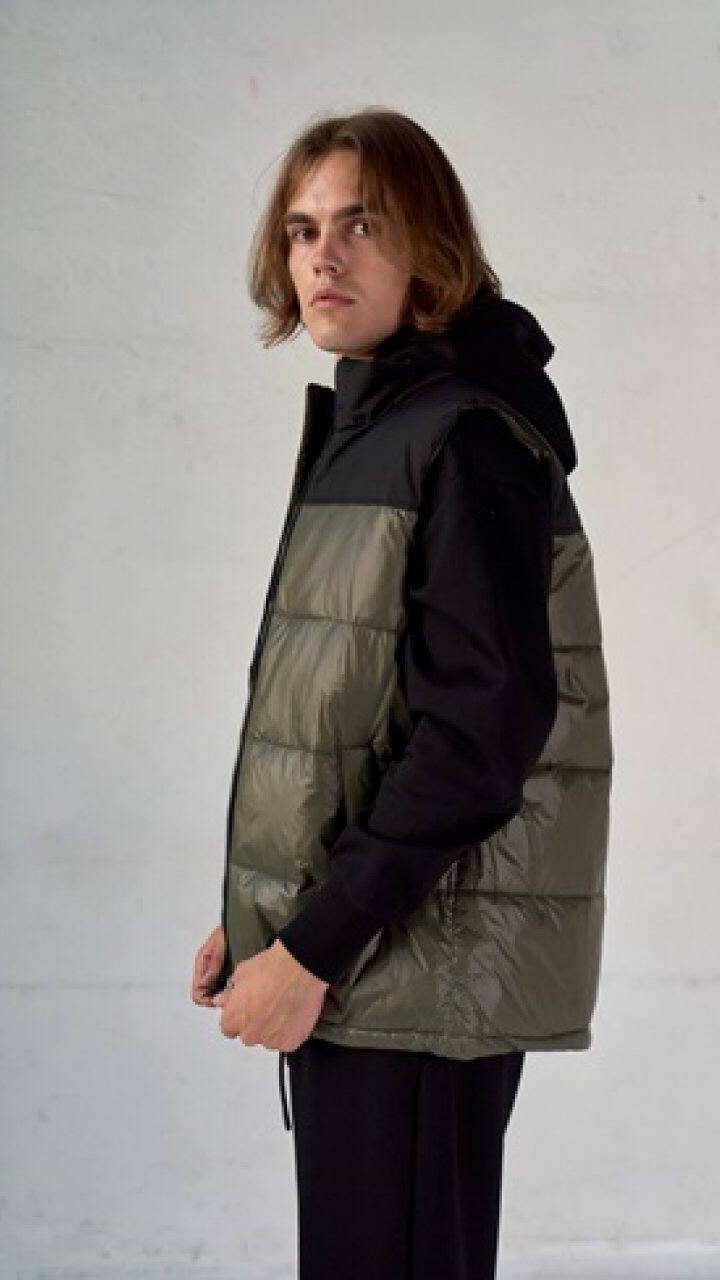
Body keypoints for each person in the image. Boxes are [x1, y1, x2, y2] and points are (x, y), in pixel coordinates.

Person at [191, 108, 613, 1280]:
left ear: (430, 244)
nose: (323, 256)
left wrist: (313, 943)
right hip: (368, 951)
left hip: (417, 968)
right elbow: (355, 712)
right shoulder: (374, 426)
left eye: (360, 224)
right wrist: (268, 907)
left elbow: (478, 734)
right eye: (301, 229)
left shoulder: (465, 436)